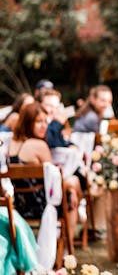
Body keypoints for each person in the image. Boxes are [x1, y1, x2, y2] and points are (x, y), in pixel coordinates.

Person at [7, 102, 81, 246]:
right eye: (38, 122)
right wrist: (71, 188)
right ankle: (67, 249)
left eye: (45, 121)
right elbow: (55, 182)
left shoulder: (12, 143)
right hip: (40, 206)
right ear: (28, 123)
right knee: (72, 192)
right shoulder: (39, 145)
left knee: (72, 184)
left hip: (20, 205)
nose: (44, 126)